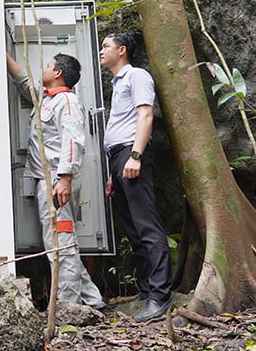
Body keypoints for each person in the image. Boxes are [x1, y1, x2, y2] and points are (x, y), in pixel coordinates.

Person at [7, 52, 105, 310]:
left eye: (49, 65)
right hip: (48, 181)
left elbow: (73, 141)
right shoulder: (47, 100)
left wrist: (64, 179)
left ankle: (66, 306)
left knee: (60, 243)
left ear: (59, 72)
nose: (45, 68)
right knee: (61, 241)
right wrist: (1, 54)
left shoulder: (68, 102)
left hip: (57, 182)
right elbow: (24, 80)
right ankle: (93, 302)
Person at [99, 31, 173, 322]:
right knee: (132, 228)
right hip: (119, 158)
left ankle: (160, 295)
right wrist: (112, 172)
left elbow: (145, 115)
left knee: (147, 226)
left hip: (132, 154)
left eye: (106, 46)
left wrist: (136, 156)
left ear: (123, 50)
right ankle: (146, 290)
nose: (101, 50)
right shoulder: (117, 83)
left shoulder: (136, 75)